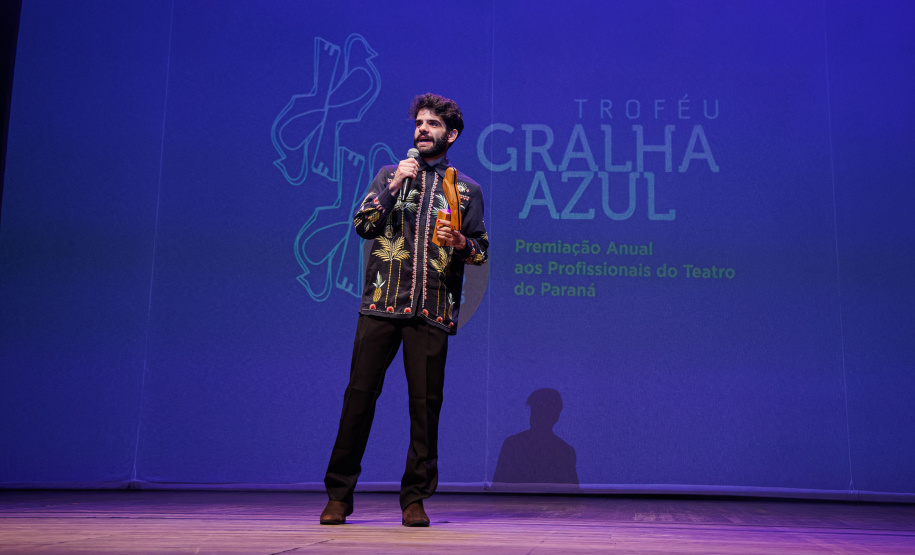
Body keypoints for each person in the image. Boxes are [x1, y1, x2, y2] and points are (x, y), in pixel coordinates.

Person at [320, 93, 489, 527]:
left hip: (432, 310)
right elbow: (362, 225)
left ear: (450, 134)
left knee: (425, 406)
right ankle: (339, 494)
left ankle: (414, 498)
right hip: (381, 305)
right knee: (358, 399)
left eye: (432, 124)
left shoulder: (466, 190)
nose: (422, 130)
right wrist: (394, 187)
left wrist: (460, 244)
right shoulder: (389, 175)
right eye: (419, 123)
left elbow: (480, 251)